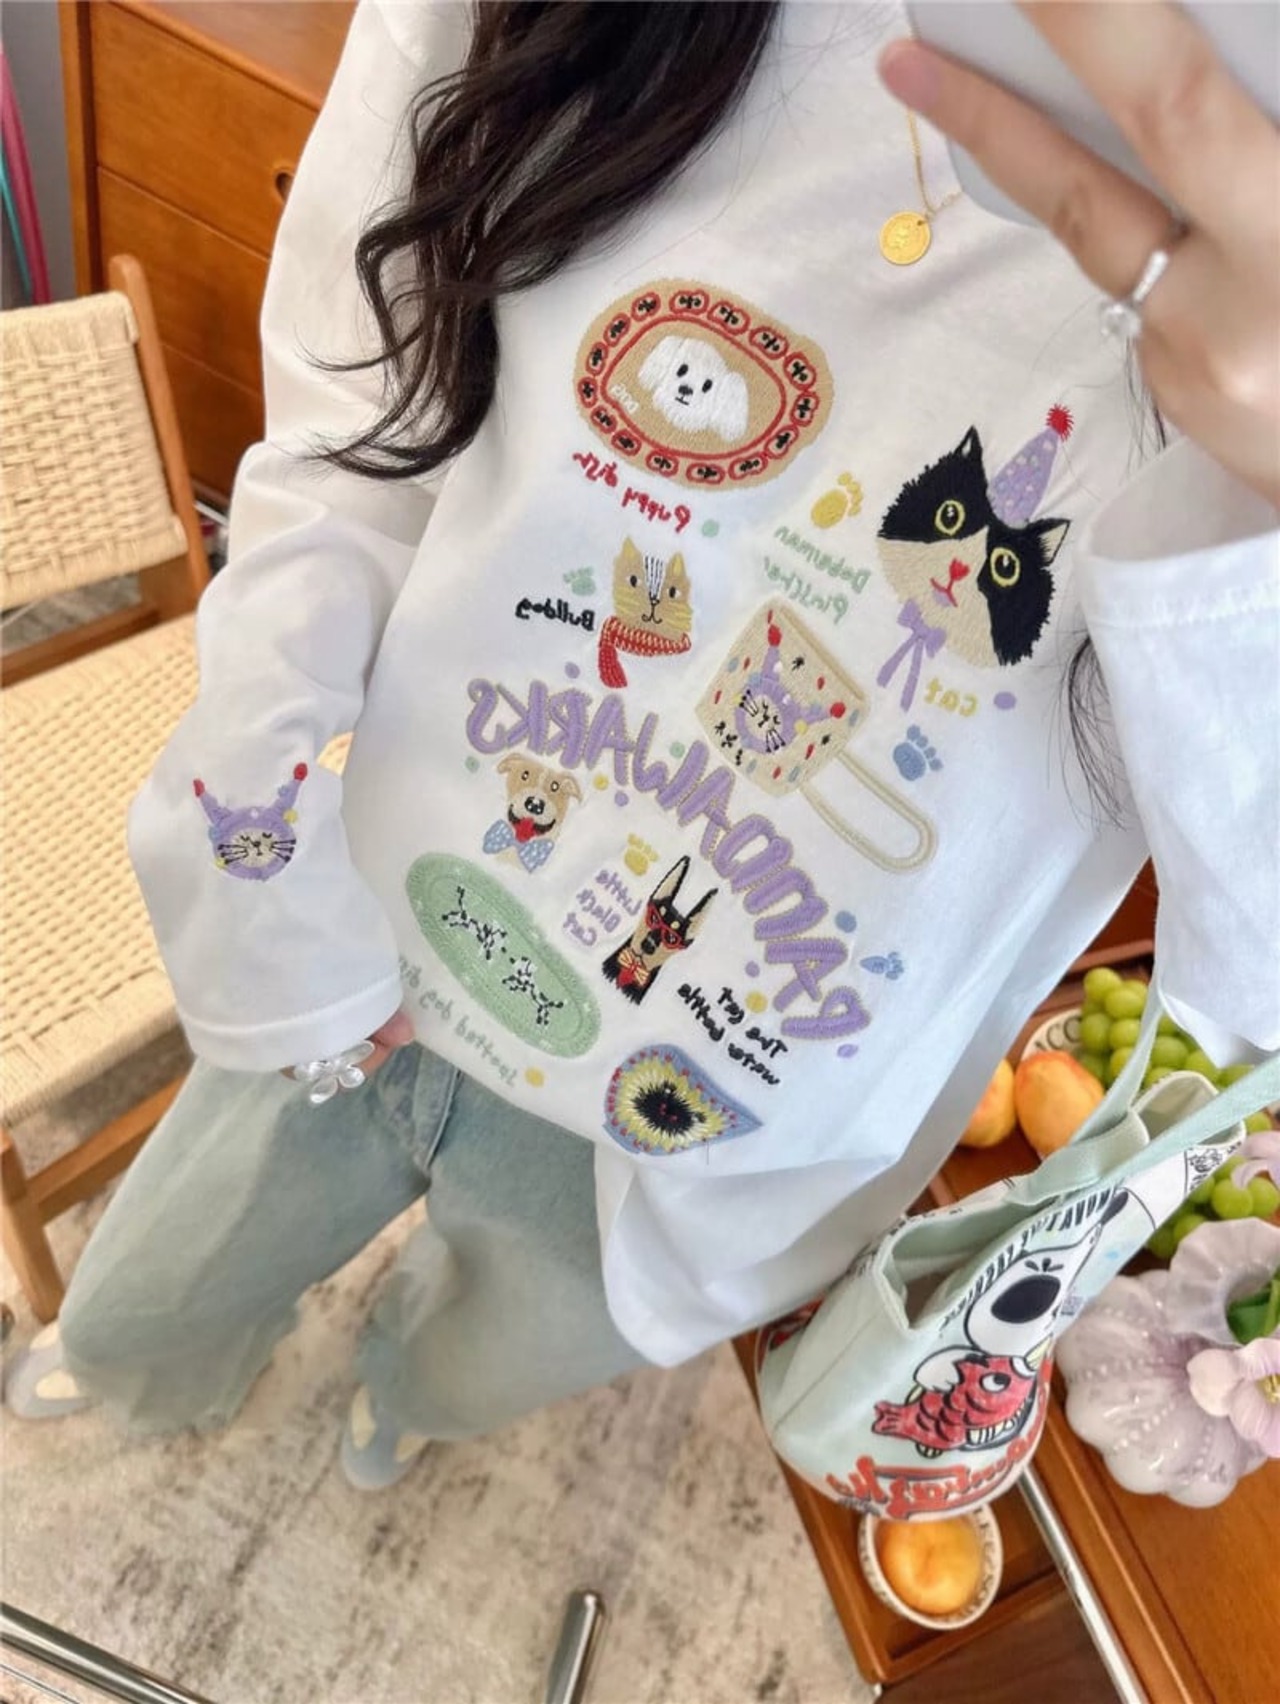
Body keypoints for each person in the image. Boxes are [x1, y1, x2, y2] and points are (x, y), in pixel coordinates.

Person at [9, 0, 1277, 1493]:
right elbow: (361, 412)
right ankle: (147, 1375)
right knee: (160, 1285)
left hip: (702, 1142)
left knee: (467, 1360)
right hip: (387, 913)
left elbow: (1245, 971)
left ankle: (397, 1398)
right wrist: (257, 852)